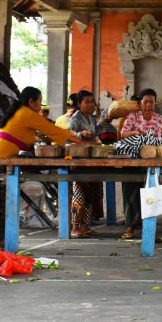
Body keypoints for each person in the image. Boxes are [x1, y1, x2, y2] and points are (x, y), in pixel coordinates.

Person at [0, 87, 87, 249]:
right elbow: (53, 130)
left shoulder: (24, 113)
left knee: (2, 200)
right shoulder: (27, 114)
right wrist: (83, 142)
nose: (40, 105)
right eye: (39, 101)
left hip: (2, 157)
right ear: (31, 102)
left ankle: (0, 239)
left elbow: (42, 132)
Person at [108, 88, 162, 239]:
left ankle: (149, 228)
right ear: (140, 104)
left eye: (152, 102)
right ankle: (130, 227)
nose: (149, 105)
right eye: (146, 102)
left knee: (151, 192)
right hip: (132, 161)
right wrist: (136, 134)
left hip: (152, 163)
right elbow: (123, 134)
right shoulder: (132, 117)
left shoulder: (160, 119)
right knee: (130, 191)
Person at [68, 90, 102, 238]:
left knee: (92, 191)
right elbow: (68, 135)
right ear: (79, 104)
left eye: (92, 101)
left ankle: (85, 226)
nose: (90, 105)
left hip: (91, 159)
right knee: (79, 192)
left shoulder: (92, 119)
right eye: (86, 102)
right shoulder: (75, 118)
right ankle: (75, 226)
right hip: (78, 159)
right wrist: (81, 135)